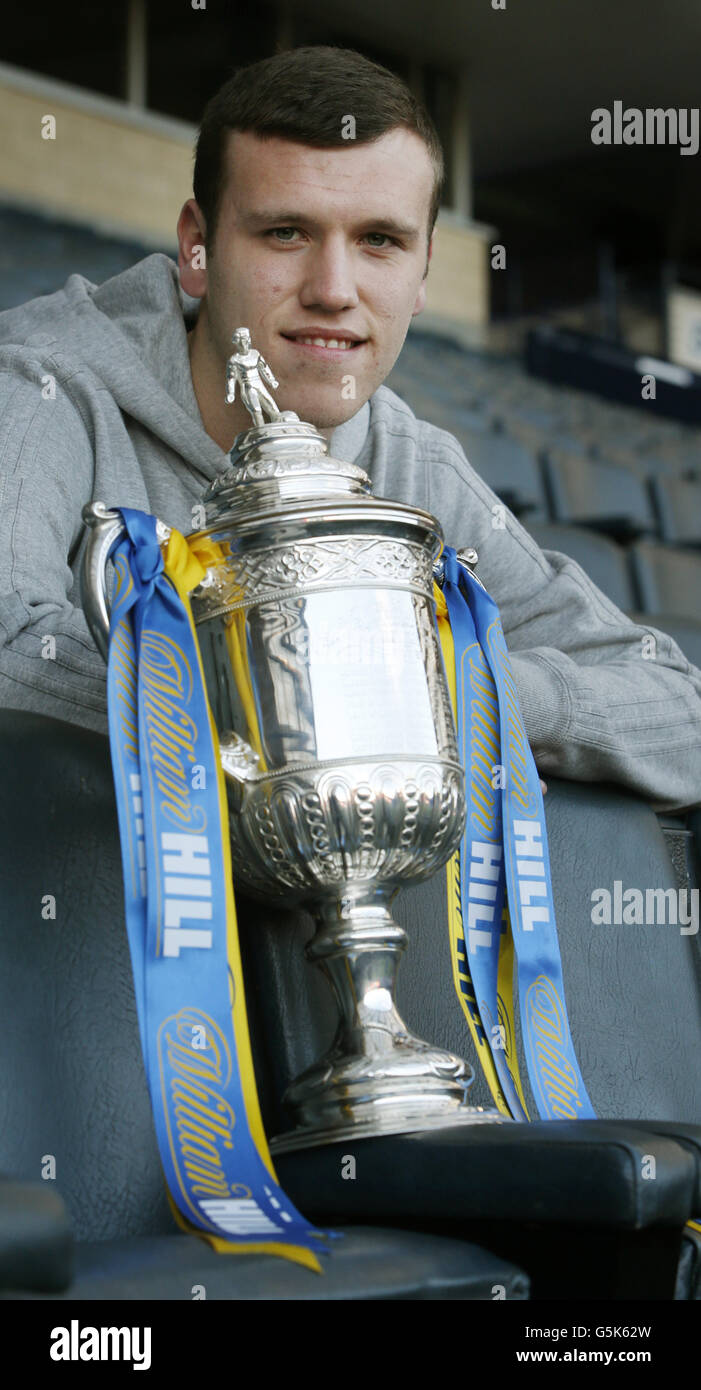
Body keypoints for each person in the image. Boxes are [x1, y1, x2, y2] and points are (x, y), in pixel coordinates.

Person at [0, 45, 699, 813]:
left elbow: (676, 712)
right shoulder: (40, 387)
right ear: (197, 249)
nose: (333, 291)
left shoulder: (412, 464)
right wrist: (287, 703)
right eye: (286, 233)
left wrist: (448, 689)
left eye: (379, 241)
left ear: (424, 270)